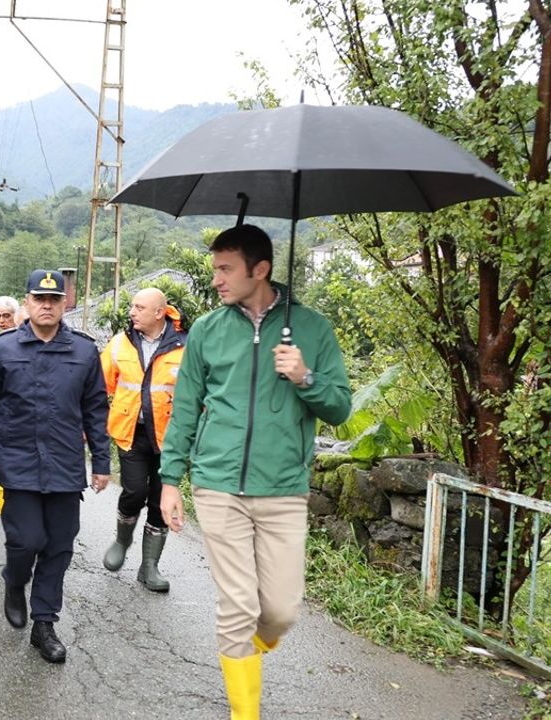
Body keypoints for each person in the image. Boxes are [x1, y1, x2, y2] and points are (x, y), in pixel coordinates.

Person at [158, 224, 351, 719]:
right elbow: (185, 408)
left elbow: (340, 409)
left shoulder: (313, 329)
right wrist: (170, 480)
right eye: (215, 268)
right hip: (218, 485)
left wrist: (304, 376)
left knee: (281, 611)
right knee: (237, 607)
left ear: (259, 269)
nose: (217, 279)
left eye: (226, 269)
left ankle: (253, 646)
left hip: (283, 488)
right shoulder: (207, 330)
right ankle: (245, 713)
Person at [0, 269, 111, 664]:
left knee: (60, 545)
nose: (46, 306)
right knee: (27, 540)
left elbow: (95, 410)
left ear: (65, 303)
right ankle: (15, 582)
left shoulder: (84, 351)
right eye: (39, 299)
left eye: (54, 299)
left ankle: (44, 623)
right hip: (17, 462)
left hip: (65, 465)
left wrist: (101, 462)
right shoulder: (3, 349)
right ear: (27, 303)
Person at [100, 287, 187, 591]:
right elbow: (100, 384)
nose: (132, 312)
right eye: (132, 306)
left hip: (170, 437)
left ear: (159, 312)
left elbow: (198, 394)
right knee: (134, 491)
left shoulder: (184, 345)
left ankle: (149, 567)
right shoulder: (120, 343)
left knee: (159, 500)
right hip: (131, 432)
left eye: (139, 307)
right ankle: (122, 541)